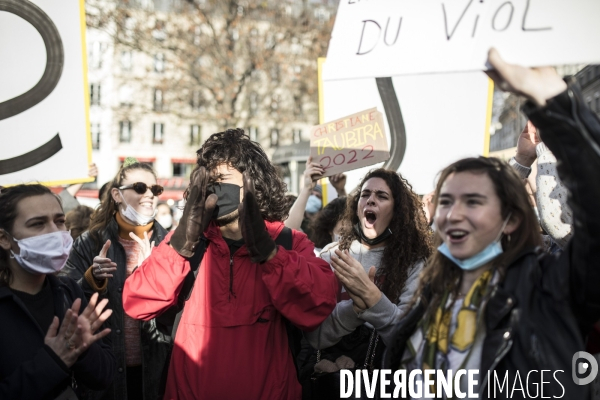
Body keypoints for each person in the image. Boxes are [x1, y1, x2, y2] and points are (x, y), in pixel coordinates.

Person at [384, 49, 600, 399]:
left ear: (511, 220)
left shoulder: (547, 289)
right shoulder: (427, 299)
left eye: (473, 201)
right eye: (445, 201)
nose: (453, 213)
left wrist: (553, 101)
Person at [122, 128, 339, 400]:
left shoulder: (287, 242)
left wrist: (270, 254)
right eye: (208, 182)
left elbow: (319, 303)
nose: (215, 190)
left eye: (223, 179)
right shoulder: (187, 246)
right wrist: (180, 244)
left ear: (253, 183)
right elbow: (137, 302)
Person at [303, 168, 432, 396]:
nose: (371, 199)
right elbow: (314, 335)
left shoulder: (414, 262)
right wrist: (354, 310)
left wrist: (373, 300)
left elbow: (409, 339)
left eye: (382, 196)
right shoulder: (331, 255)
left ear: (397, 211)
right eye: (365, 194)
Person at [62, 158, 172, 400]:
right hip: (105, 377)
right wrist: (92, 281)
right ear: (117, 195)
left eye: (155, 189)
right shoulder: (90, 242)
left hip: (156, 373)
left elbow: (181, 312)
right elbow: (64, 301)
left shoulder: (170, 244)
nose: (149, 195)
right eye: (140, 188)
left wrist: (156, 279)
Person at [0, 184, 115, 399]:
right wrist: (53, 360)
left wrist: (82, 349)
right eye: (38, 224)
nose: (54, 232)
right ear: (4, 239)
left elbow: (104, 376)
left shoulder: (68, 291)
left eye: (59, 221)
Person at [508, 119, 573, 252]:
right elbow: (495, 221)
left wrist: (548, 148)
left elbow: (558, 225)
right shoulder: (548, 249)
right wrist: (521, 161)